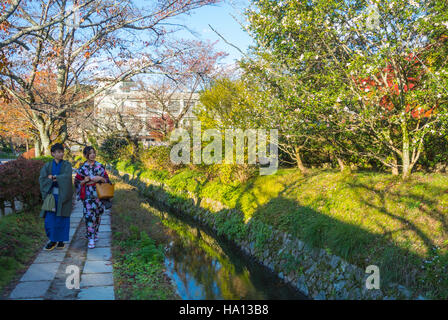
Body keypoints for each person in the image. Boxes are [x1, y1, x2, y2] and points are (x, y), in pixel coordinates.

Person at [74, 146, 110, 249]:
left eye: (94, 152)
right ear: (85, 155)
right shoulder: (82, 168)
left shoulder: (100, 166)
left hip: (100, 195)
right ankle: (90, 238)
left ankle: (96, 232)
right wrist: (84, 181)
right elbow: (77, 183)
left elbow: (107, 180)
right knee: (89, 216)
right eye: (90, 153)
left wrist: (101, 178)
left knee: (98, 215)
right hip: (88, 196)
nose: (92, 155)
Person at [38, 143, 73, 251]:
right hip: (51, 196)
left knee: (62, 218)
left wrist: (55, 177)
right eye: (58, 152)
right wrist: (50, 179)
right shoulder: (47, 165)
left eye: (62, 151)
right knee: (50, 220)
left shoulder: (67, 165)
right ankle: (52, 240)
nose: (61, 154)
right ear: (53, 153)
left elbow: (67, 177)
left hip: (63, 196)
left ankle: (61, 241)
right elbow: (42, 178)